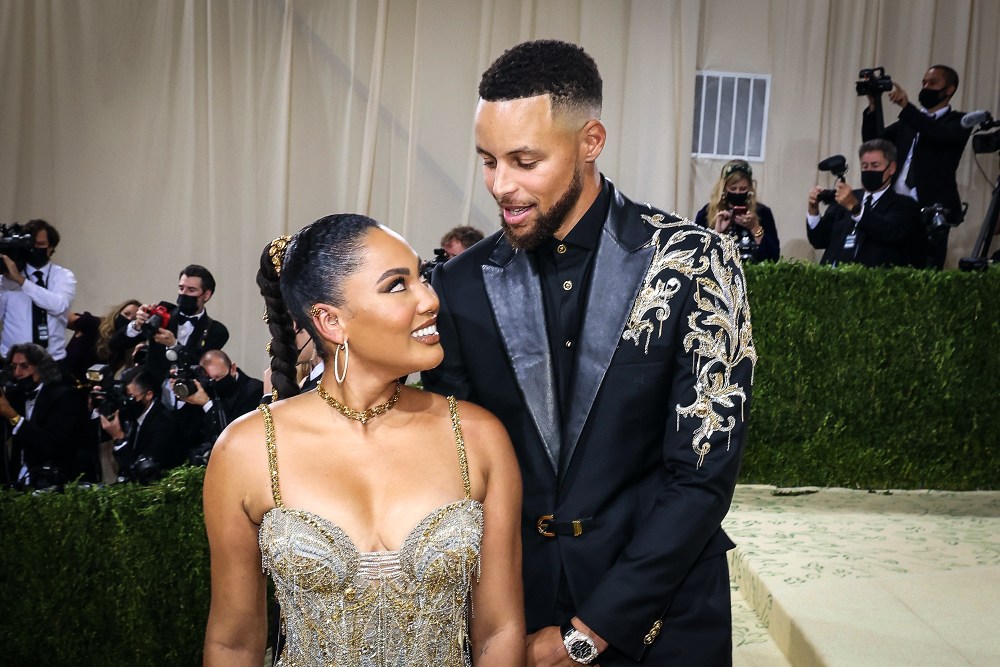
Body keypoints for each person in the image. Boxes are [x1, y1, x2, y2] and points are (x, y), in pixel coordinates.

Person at [422, 40, 756, 666]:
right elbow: (459, 475)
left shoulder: (695, 264)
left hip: (664, 615)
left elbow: (702, 477)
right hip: (514, 618)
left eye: (525, 160)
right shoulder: (459, 284)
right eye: (488, 161)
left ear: (590, 140)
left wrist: (590, 631)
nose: (502, 186)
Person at [202, 216, 525, 666]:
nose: (430, 299)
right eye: (397, 285)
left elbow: (499, 631)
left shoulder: (477, 437)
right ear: (331, 321)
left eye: (423, 278)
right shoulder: (248, 448)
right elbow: (233, 643)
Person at [861, 64, 972, 268]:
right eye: (924, 83)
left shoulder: (959, 121)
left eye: (933, 83)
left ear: (949, 89)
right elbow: (875, 141)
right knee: (891, 261)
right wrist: (873, 104)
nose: (926, 87)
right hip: (898, 207)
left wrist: (906, 107)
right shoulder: (909, 121)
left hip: (932, 209)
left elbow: (938, 134)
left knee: (925, 269)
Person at [807, 139, 925, 268]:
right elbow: (819, 240)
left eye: (875, 165)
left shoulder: (904, 205)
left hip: (872, 282)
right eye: (865, 166)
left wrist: (856, 209)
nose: (869, 171)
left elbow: (889, 231)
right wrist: (813, 210)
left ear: (891, 168)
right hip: (831, 280)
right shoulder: (846, 198)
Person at [111, 264, 229, 383]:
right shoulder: (164, 312)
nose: (184, 293)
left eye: (191, 290)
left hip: (187, 392)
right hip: (153, 389)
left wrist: (174, 345)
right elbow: (117, 343)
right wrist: (137, 325)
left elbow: (199, 363)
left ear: (206, 295)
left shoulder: (216, 331)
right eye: (181, 288)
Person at [0, 343, 88, 489]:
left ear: (41, 368)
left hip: (54, 480)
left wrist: (12, 415)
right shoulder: (15, 396)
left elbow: (50, 443)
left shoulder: (64, 397)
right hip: (18, 480)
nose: (17, 373)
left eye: (24, 366)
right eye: (14, 366)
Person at [0, 219, 77, 364]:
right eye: (31, 245)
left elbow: (59, 306)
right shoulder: (6, 279)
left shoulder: (63, 276)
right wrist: (6, 280)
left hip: (52, 361)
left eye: (40, 244)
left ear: (51, 248)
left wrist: (22, 281)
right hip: (12, 362)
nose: (34, 249)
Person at [174, 349, 263, 464]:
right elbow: (188, 431)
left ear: (233, 368)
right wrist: (183, 396)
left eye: (218, 377)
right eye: (210, 378)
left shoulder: (254, 390)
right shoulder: (205, 387)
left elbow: (234, 435)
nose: (214, 382)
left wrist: (207, 404)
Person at [99, 366, 184, 483]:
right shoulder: (130, 411)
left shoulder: (163, 424)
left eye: (130, 397)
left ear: (148, 395)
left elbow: (143, 473)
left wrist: (119, 438)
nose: (126, 402)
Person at [694, 160, 780, 262]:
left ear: (750, 188)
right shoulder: (707, 213)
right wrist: (717, 232)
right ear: (724, 188)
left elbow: (773, 257)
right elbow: (697, 255)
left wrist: (755, 228)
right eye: (733, 189)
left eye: (743, 189)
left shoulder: (762, 213)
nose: (738, 193)